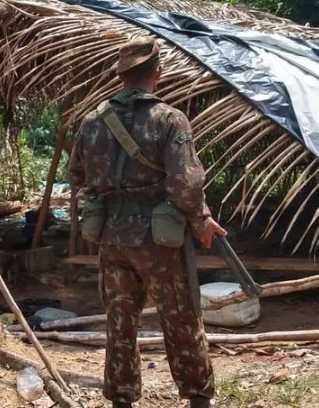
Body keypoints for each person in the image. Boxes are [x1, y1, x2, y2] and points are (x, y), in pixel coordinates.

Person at [68, 36, 227, 408]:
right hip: (160, 242)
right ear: (158, 73)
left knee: (120, 319)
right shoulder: (170, 120)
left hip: (112, 238)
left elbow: (77, 175)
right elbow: (185, 185)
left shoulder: (93, 122)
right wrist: (202, 220)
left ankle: (122, 398)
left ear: (122, 76)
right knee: (180, 318)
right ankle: (198, 397)